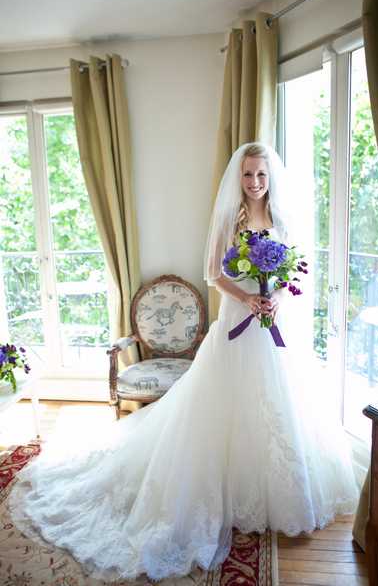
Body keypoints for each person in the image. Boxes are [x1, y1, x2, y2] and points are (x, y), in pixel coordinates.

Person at [7, 142, 360, 583]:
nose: (254, 183)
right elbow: (213, 273)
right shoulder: (231, 219)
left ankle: (277, 492)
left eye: (261, 176)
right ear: (239, 178)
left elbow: (293, 274)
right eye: (248, 175)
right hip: (236, 321)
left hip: (270, 326)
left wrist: (273, 299)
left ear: (271, 179)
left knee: (278, 408)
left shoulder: (283, 219)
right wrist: (247, 297)